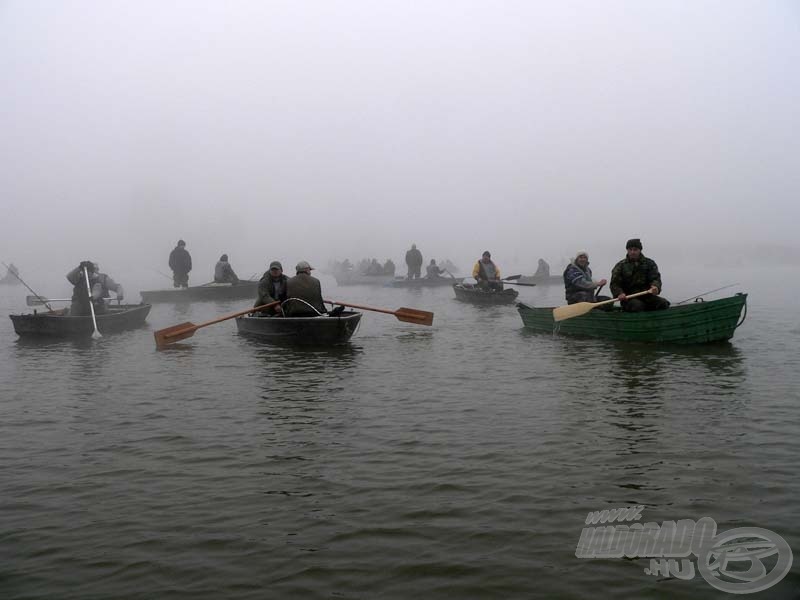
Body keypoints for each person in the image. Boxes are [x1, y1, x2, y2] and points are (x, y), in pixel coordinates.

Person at [610, 238, 670, 312]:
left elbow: (655, 278)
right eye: (630, 249)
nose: (632, 252)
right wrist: (619, 293)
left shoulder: (649, 263)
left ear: (640, 250)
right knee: (637, 305)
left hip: (647, 296)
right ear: (627, 250)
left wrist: (656, 287)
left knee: (663, 303)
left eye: (635, 249)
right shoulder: (620, 266)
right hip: (629, 298)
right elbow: (614, 284)